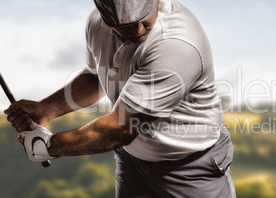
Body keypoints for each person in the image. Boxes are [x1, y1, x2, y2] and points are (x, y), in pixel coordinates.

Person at [4, 0, 236, 197]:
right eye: (123, 25)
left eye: (144, 18)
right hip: (131, 161)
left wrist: (47, 146)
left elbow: (119, 128)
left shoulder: (176, 44)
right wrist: (47, 109)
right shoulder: (97, 23)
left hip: (190, 167)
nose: (137, 30)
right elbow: (99, 78)